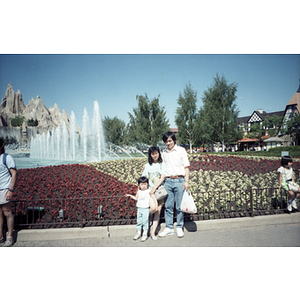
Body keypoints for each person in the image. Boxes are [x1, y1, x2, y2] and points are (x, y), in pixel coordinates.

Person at [151, 131, 189, 238]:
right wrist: (146, 166)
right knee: (168, 206)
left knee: (179, 206)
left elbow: (186, 167)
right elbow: (157, 163)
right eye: (166, 142)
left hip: (179, 180)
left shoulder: (181, 151)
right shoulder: (164, 153)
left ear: (174, 140)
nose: (168, 143)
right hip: (167, 182)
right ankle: (169, 228)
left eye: (170, 141)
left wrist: (186, 181)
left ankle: (179, 227)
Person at [142, 146, 166, 240]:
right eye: (153, 154)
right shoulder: (147, 166)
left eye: (156, 153)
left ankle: (153, 233)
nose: (155, 155)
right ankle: (148, 220)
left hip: (159, 191)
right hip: (150, 192)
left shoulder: (161, 164)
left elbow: (162, 177)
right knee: (153, 208)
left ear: (159, 153)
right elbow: (144, 178)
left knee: (158, 211)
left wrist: (155, 187)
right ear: (150, 155)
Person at [126, 176, 158, 242]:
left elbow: (154, 197)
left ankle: (145, 234)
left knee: (145, 222)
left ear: (147, 184)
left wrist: (156, 205)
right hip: (139, 209)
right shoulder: (139, 192)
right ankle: (138, 232)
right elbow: (136, 198)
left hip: (145, 209)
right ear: (139, 185)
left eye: (145, 184)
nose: (143, 186)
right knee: (139, 221)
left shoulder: (149, 191)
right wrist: (130, 195)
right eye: (142, 184)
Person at [0, 138, 17, 247]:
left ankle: (10, 237)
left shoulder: (6, 158)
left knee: (7, 212)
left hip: (5, 188)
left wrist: (10, 190)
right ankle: (0, 237)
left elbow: (14, 174)